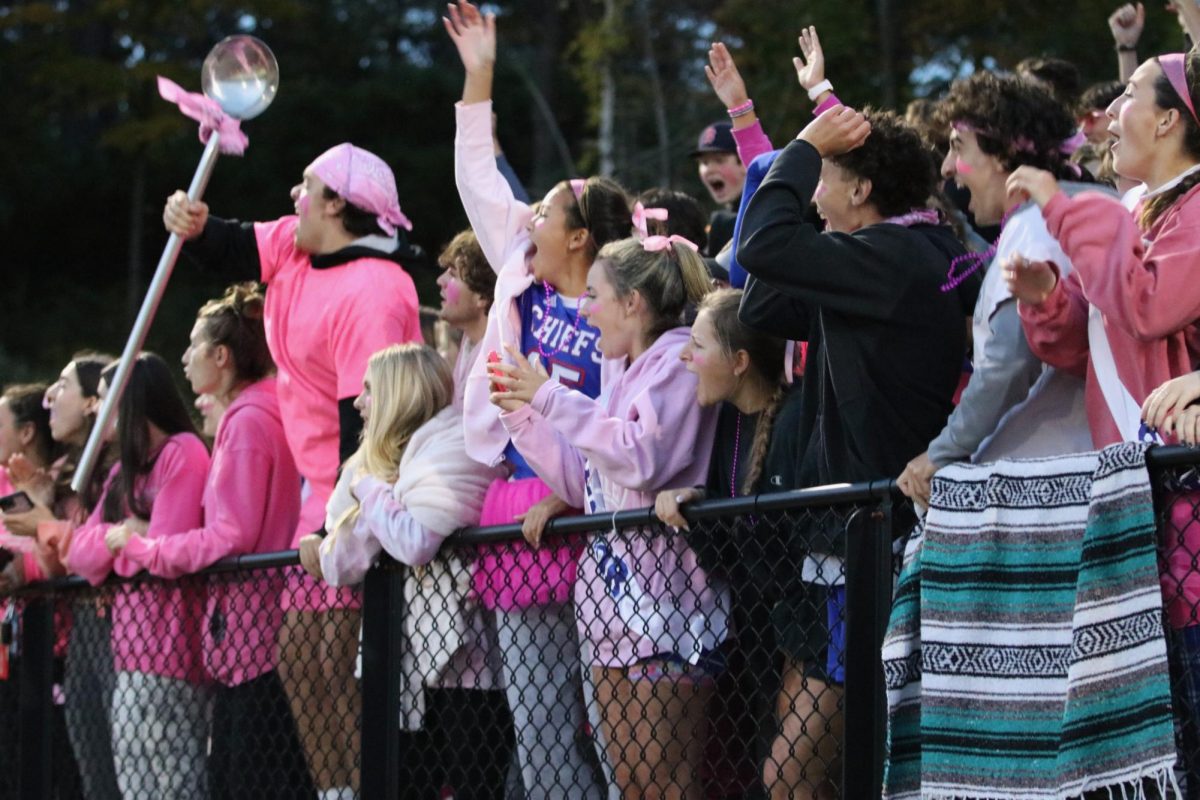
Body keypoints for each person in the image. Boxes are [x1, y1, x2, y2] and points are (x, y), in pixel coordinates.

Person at [162, 142, 423, 798]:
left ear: (336, 204)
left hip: (362, 485)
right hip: (320, 488)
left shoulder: (376, 289)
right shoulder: (294, 245)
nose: (292, 197)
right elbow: (229, 246)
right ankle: (336, 792)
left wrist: (344, 525)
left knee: (327, 661)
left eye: (305, 186)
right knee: (300, 663)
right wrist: (192, 224)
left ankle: (367, 791)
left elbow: (370, 428)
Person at [735, 100, 967, 795]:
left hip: (884, 545)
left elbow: (759, 248)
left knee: (806, 773)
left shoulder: (896, 257)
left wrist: (801, 143)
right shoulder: (877, 259)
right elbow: (761, 306)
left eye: (823, 179)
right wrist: (810, 217)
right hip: (860, 542)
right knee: (828, 770)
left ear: (862, 189)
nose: (811, 191)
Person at [445, 3, 630, 796]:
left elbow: (631, 431)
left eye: (549, 210)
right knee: (545, 734)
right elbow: (478, 177)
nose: (533, 217)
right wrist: (479, 74)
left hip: (600, 527)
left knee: (622, 731)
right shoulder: (518, 270)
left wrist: (573, 493)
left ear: (582, 237)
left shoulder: (628, 305)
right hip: (520, 521)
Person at [493, 233, 725, 800]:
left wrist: (549, 398)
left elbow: (639, 456)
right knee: (628, 783)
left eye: (594, 296)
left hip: (668, 607)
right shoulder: (623, 369)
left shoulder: (675, 358)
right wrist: (523, 416)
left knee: (665, 784)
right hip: (610, 611)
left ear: (632, 303)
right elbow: (585, 480)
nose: (587, 310)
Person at [102, 285, 313, 800]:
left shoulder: (245, 422)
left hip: (252, 635)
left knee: (245, 781)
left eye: (193, 345)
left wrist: (146, 547)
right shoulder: (264, 411)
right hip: (258, 626)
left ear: (221, 356)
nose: (183, 357)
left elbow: (231, 534)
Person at [301, 344, 510, 799]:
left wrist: (374, 495)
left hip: (468, 662)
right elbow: (339, 565)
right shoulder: (365, 464)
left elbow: (415, 541)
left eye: (370, 390)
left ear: (401, 394)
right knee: (406, 785)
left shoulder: (453, 444)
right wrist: (370, 504)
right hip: (401, 661)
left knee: (477, 786)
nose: (357, 403)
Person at [653, 289, 830, 799]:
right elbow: (728, 560)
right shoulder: (727, 423)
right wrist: (700, 509)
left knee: (794, 779)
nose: (686, 357)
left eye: (699, 346)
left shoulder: (793, 422)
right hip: (755, 646)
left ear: (740, 361)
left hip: (803, 637)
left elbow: (791, 553)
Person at [897, 71, 1095, 504]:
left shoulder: (1035, 224)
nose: (948, 169)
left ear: (1006, 151)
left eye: (957, 147)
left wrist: (940, 453)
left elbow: (1009, 362)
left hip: (1050, 486)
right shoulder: (1082, 208)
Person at [65, 354, 211, 800]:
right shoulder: (120, 472)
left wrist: (126, 546)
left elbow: (166, 549)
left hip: (171, 653)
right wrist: (123, 536)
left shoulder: (183, 452)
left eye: (106, 399)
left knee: (175, 786)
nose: (97, 410)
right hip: (127, 655)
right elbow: (79, 557)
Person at [1, 355, 121, 800]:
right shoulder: (60, 478)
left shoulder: (111, 471)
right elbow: (57, 560)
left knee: (108, 772)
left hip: (108, 632)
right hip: (79, 640)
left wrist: (41, 523)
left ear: (95, 402)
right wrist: (41, 509)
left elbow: (87, 555)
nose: (50, 396)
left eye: (63, 385)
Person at [434, 229, 496, 406]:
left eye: (452, 275)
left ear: (482, 297)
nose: (440, 280)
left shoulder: (495, 364)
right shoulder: (469, 344)